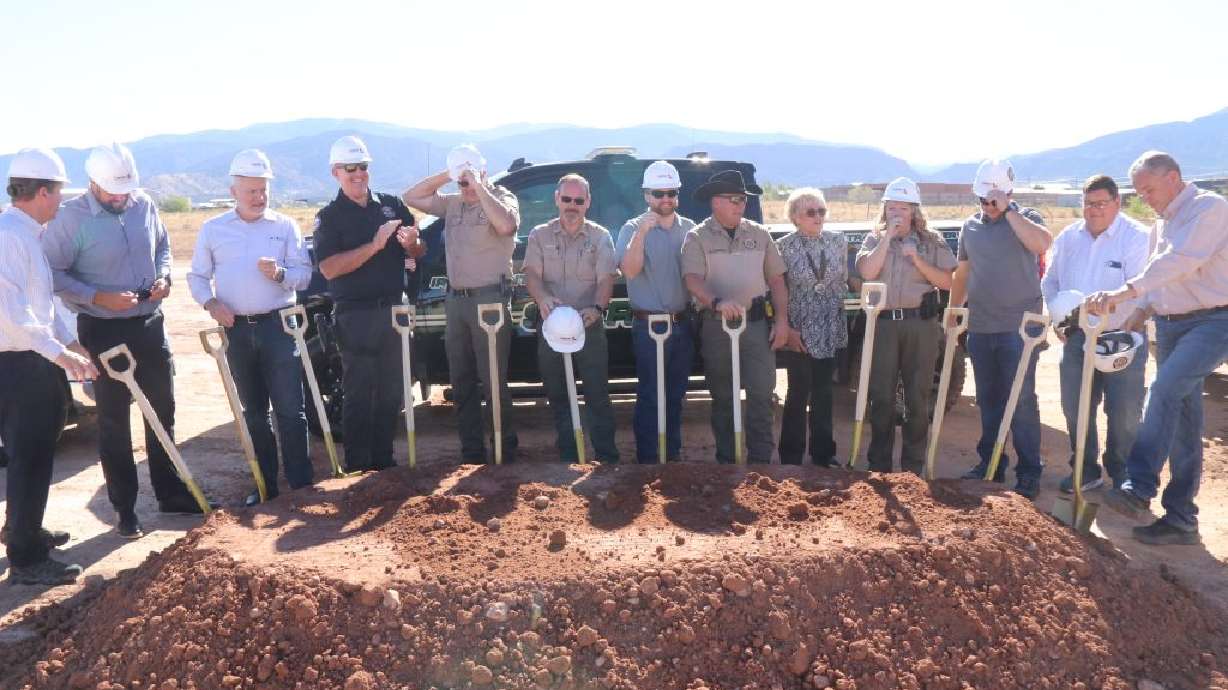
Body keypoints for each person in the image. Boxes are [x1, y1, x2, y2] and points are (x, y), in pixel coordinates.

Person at [43, 143, 207, 538]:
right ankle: (125, 509)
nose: (121, 197)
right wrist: (99, 297)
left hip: (148, 325)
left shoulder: (143, 205)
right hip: (102, 331)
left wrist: (164, 277)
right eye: (113, 191)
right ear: (93, 183)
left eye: (126, 190)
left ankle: (170, 495)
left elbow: (163, 246)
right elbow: (52, 273)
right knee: (114, 423)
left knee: (162, 413)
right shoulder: (70, 219)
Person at [1089, 151, 1228, 545]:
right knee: (1184, 425)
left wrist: (1126, 293)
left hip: (1214, 321)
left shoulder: (1210, 209)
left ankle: (1138, 486)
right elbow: (1161, 276)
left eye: (1147, 189)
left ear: (1173, 178)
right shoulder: (1160, 225)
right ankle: (1182, 518)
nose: (1143, 197)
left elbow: (1180, 262)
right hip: (1170, 327)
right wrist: (1141, 310)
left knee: (1163, 390)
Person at [187, 149, 314, 505]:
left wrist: (281, 274)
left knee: (291, 409)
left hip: (279, 327)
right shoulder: (213, 230)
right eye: (251, 192)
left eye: (263, 190)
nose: (259, 198)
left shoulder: (285, 226)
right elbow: (197, 276)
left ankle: (301, 486)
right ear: (234, 192)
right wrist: (211, 304)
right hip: (237, 331)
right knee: (255, 413)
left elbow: (304, 276)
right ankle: (266, 488)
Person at [0, 148, 97, 585]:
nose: (61, 202)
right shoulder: (8, 238)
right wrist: (58, 354)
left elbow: (42, 305)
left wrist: (71, 342)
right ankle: (26, 556)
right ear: (41, 192)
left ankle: (24, 527)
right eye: (58, 193)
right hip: (18, 362)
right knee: (30, 456)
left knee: (37, 446)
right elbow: (13, 317)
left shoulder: (26, 234)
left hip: (33, 358)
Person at [313, 135, 425, 472]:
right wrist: (375, 245)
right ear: (336, 172)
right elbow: (330, 267)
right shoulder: (330, 217)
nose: (359, 174)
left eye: (363, 167)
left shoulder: (390, 205)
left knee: (392, 391)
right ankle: (358, 466)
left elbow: (418, 253)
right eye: (351, 168)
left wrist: (413, 243)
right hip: (355, 315)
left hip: (393, 310)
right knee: (358, 393)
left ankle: (384, 463)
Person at [402, 144, 519, 464]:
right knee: (462, 379)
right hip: (456, 302)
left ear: (483, 172)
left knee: (493, 380)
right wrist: (450, 174)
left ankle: (504, 448)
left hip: (490, 301)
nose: (464, 187)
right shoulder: (453, 204)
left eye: (469, 179)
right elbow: (410, 197)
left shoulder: (502, 197)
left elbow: (507, 226)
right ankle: (472, 451)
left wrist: (479, 187)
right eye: (461, 182)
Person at [948, 159, 1052, 499]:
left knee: (1021, 401)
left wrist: (1008, 212)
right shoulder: (970, 227)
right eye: (983, 200)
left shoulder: (1026, 219)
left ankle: (1029, 472)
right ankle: (991, 464)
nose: (988, 206)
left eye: (994, 199)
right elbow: (962, 272)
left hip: (1018, 329)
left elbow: (1041, 244)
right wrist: (953, 308)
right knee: (989, 400)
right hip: (981, 327)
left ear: (1008, 194)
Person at [1041, 174, 1149, 493]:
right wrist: (1060, 318)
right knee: (1075, 407)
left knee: (1124, 411)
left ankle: (1122, 472)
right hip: (1077, 339)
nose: (1094, 210)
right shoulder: (1069, 238)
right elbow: (1050, 282)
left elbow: (1143, 289)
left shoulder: (1136, 238)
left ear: (1117, 202)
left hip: (1121, 337)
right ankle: (1085, 470)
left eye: (1101, 203)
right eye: (1088, 203)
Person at [681, 170, 789, 464]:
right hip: (717, 327)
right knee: (724, 397)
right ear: (715, 202)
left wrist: (781, 321)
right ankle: (727, 463)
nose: (740, 205)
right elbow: (692, 279)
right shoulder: (697, 237)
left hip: (755, 326)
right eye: (734, 200)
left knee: (761, 394)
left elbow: (777, 280)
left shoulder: (759, 234)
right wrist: (716, 302)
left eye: (743, 200)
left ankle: (761, 464)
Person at [855, 178, 957, 474]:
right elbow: (866, 272)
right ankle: (880, 465)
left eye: (902, 207)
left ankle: (913, 467)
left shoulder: (931, 240)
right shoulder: (874, 239)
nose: (896, 213)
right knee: (882, 396)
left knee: (917, 396)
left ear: (914, 210)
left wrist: (917, 260)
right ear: (884, 210)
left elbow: (947, 282)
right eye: (891, 207)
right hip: (884, 325)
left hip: (920, 325)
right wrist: (887, 239)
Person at [524, 174, 620, 463]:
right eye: (567, 199)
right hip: (551, 328)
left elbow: (606, 279)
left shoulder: (600, 237)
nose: (572, 206)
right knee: (558, 395)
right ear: (557, 199)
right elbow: (532, 275)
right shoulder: (539, 235)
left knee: (597, 394)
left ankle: (606, 458)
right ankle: (569, 456)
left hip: (588, 325)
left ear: (588, 202)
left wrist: (598, 308)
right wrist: (541, 298)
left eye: (579, 200)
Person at [614, 161, 696, 463]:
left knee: (675, 395)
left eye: (671, 193)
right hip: (649, 326)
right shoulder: (632, 228)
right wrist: (643, 233)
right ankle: (648, 459)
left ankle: (670, 456)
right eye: (658, 193)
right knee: (650, 394)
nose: (665, 199)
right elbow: (630, 271)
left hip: (683, 323)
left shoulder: (690, 229)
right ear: (646, 195)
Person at [776, 188, 848, 466]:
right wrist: (787, 328)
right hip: (800, 330)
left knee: (824, 393)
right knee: (797, 393)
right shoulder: (783, 246)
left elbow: (844, 280)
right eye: (810, 212)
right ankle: (791, 457)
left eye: (821, 211)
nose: (818, 217)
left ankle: (823, 455)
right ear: (795, 217)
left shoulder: (838, 242)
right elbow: (778, 288)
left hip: (829, 326)